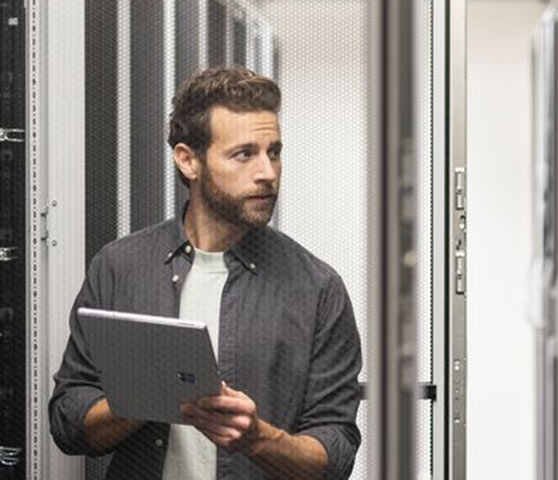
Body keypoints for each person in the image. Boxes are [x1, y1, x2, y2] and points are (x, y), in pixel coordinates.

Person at [49, 66, 362, 479]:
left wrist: (258, 439)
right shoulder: (119, 267)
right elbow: (68, 422)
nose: (267, 172)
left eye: (275, 151)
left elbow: (336, 453)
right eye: (244, 154)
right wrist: (144, 398)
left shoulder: (317, 289)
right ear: (188, 160)